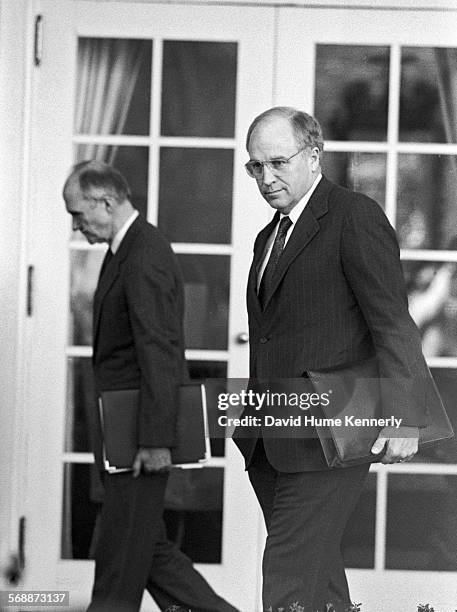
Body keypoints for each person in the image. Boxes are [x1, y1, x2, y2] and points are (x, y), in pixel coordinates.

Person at [235, 107, 435, 612]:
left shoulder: (354, 217)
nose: (266, 177)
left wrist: (405, 418)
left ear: (314, 155)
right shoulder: (268, 237)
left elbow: (392, 323)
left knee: (286, 574)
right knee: (316, 576)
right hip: (270, 436)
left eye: (278, 162)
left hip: (329, 433)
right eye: (255, 166)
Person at [63, 161, 239, 612]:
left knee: (119, 554)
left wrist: (156, 440)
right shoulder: (125, 251)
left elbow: (160, 352)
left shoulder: (144, 254)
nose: (77, 225)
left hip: (141, 434)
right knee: (147, 549)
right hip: (127, 431)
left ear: (106, 201)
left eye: (79, 213)